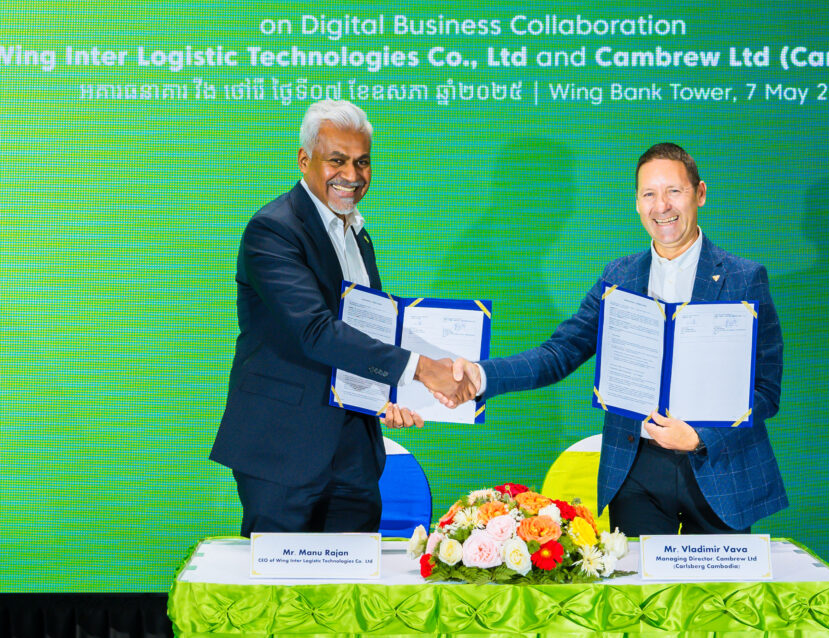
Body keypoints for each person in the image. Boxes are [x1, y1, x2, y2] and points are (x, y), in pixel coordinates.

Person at [441, 143, 787, 535]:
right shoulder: (619, 278)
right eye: (649, 194)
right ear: (637, 204)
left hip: (719, 468)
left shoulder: (744, 278)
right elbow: (560, 351)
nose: (662, 206)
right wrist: (482, 375)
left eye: (674, 191)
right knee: (638, 577)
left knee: (716, 579)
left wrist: (699, 437)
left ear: (700, 193)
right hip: (635, 471)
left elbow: (765, 389)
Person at [210, 100, 474, 536]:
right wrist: (422, 369)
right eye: (337, 161)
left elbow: (365, 331)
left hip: (355, 452)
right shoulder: (273, 230)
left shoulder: (357, 234)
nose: (351, 175)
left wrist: (389, 395)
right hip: (284, 451)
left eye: (362, 162)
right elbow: (315, 331)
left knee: (354, 575)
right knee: (279, 579)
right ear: (304, 160)